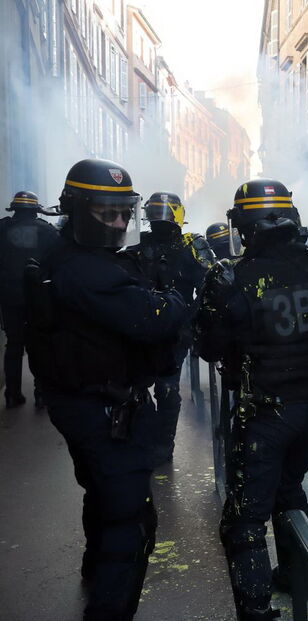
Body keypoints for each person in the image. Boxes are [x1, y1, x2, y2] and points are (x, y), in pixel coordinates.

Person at [24, 159, 186, 620]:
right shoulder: (87, 271)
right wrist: (169, 300)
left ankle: (94, 569)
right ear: (76, 208)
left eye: (124, 212)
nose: (118, 223)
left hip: (80, 400)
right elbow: (154, 320)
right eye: (105, 213)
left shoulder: (70, 256)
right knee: (130, 523)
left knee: (100, 492)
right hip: (100, 409)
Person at [194, 179, 308, 621]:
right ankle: (294, 578)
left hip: (263, 413)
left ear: (244, 226)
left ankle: (257, 612)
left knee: (243, 522)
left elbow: (207, 347)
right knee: (290, 488)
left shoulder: (228, 277)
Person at [125, 192, 214, 464]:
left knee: (166, 388)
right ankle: (149, 439)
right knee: (138, 388)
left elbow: (211, 284)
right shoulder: (138, 244)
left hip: (174, 329)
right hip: (142, 328)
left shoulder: (192, 244)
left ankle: (163, 445)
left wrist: (193, 318)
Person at [0, 191, 59, 408]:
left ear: (14, 209)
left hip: (9, 297)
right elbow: (58, 263)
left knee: (14, 344)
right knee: (40, 344)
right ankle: (41, 393)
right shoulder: (48, 232)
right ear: (36, 210)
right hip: (38, 298)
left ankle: (12, 394)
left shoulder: (2, 228)